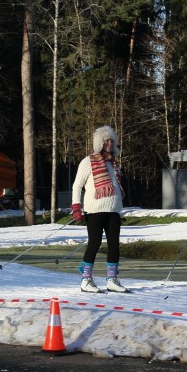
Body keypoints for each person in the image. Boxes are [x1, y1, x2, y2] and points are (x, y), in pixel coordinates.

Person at [71, 125, 128, 293]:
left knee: (114, 245)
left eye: (111, 140)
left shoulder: (114, 164)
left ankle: (112, 279)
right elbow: (77, 185)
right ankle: (86, 280)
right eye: (106, 141)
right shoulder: (88, 161)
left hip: (113, 210)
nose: (109, 143)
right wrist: (76, 207)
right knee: (94, 243)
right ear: (99, 143)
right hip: (95, 210)